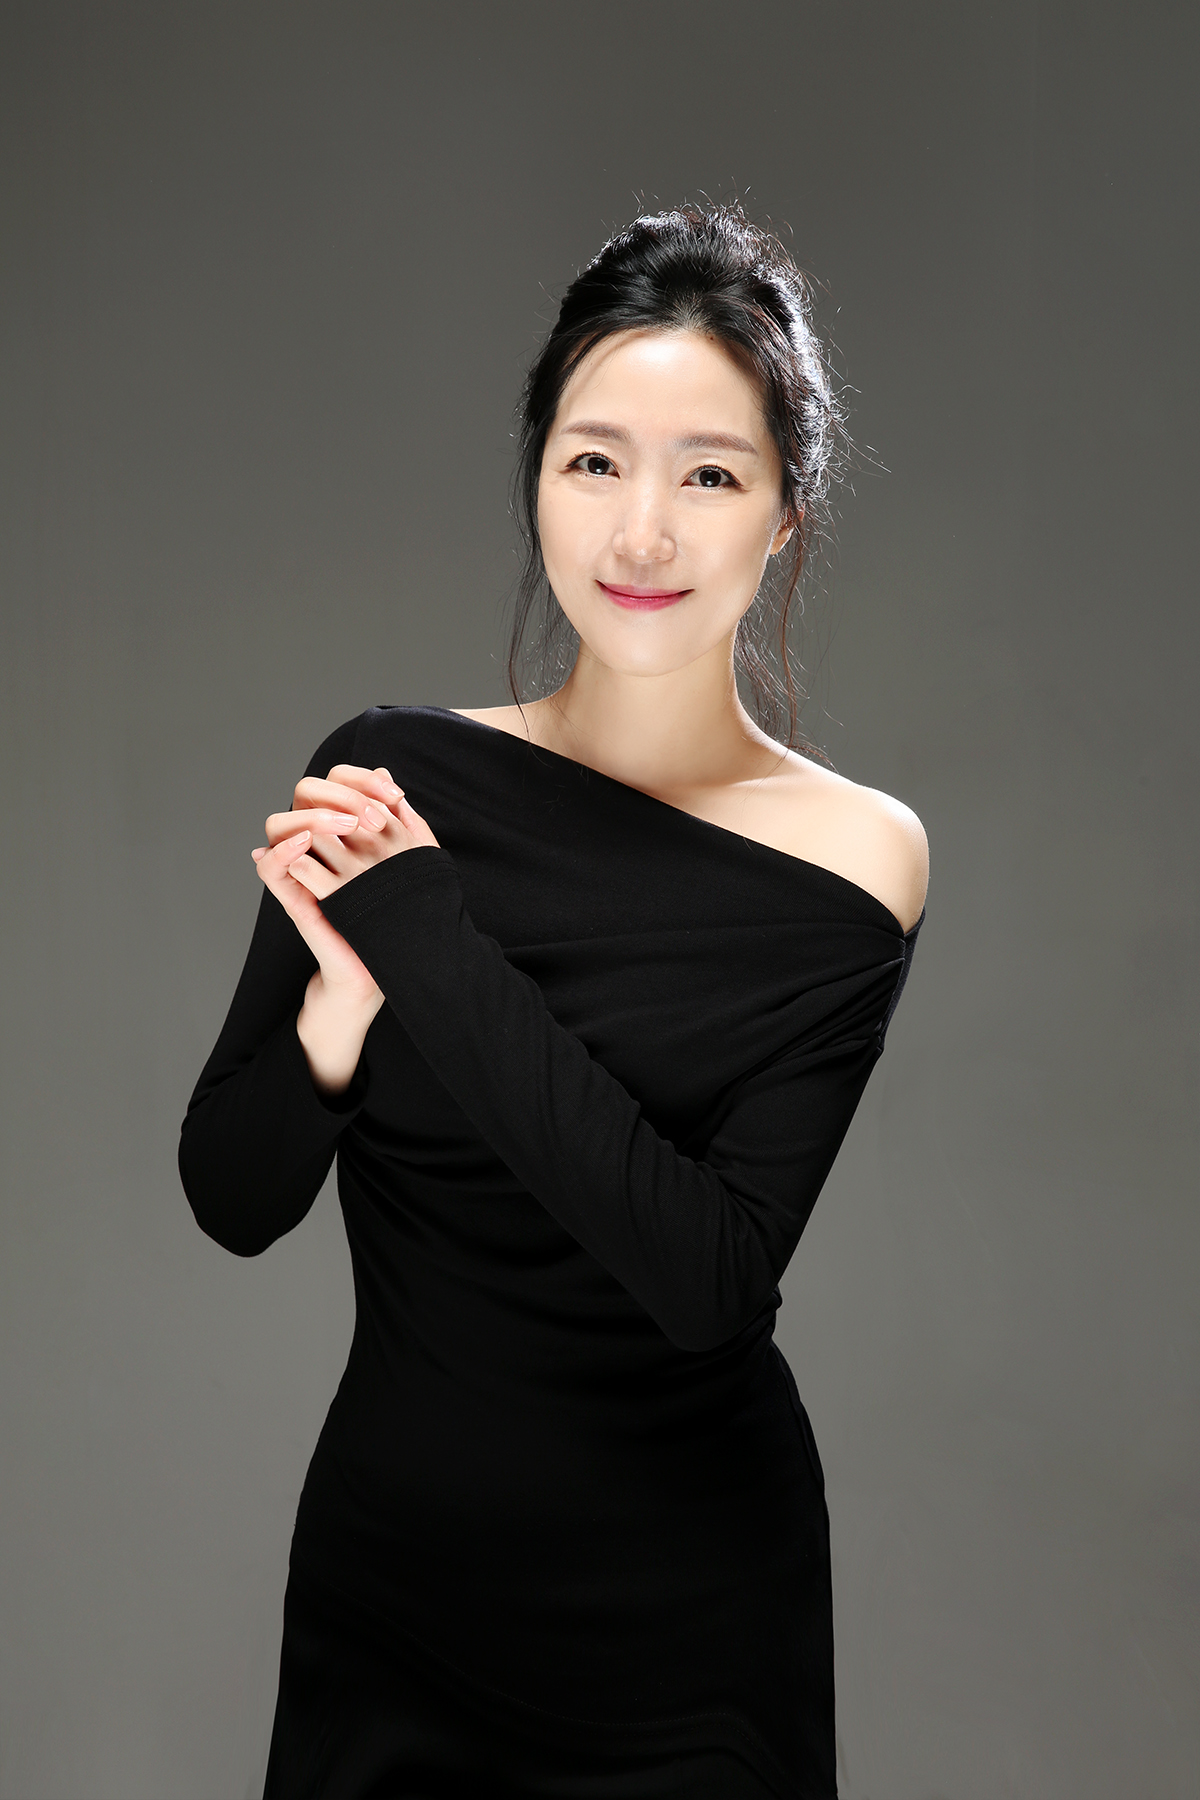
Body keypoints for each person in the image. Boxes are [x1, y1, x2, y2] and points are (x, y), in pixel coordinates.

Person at [179, 202, 928, 1800]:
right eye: (595, 462)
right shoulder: (394, 772)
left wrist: (428, 936)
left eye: (708, 476)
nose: (640, 533)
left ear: (785, 515)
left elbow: (706, 1279)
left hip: (695, 1621)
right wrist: (339, 1014)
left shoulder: (858, 855)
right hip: (396, 1597)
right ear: (537, 476)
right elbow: (232, 1197)